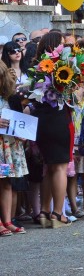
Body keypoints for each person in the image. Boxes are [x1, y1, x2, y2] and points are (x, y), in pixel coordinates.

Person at [30, 32, 72, 228]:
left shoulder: (37, 68)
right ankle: (58, 213)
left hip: (41, 120)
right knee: (61, 167)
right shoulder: (60, 67)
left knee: (49, 167)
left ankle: (45, 211)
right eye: (62, 44)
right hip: (57, 118)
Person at [0, 61, 27, 236]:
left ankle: (7, 220)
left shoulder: (6, 96)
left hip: (7, 146)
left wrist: (20, 132)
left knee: (6, 182)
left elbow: (14, 119)